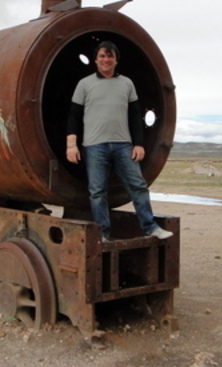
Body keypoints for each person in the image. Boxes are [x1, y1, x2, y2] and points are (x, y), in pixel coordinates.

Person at [66, 40, 173, 242]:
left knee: (138, 186)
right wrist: (71, 145)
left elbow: (135, 115)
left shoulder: (126, 83)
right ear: (96, 60)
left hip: (123, 144)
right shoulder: (85, 84)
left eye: (110, 56)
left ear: (116, 60)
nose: (106, 60)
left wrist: (138, 143)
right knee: (97, 192)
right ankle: (103, 234)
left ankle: (150, 227)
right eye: (102, 56)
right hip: (94, 145)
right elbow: (74, 115)